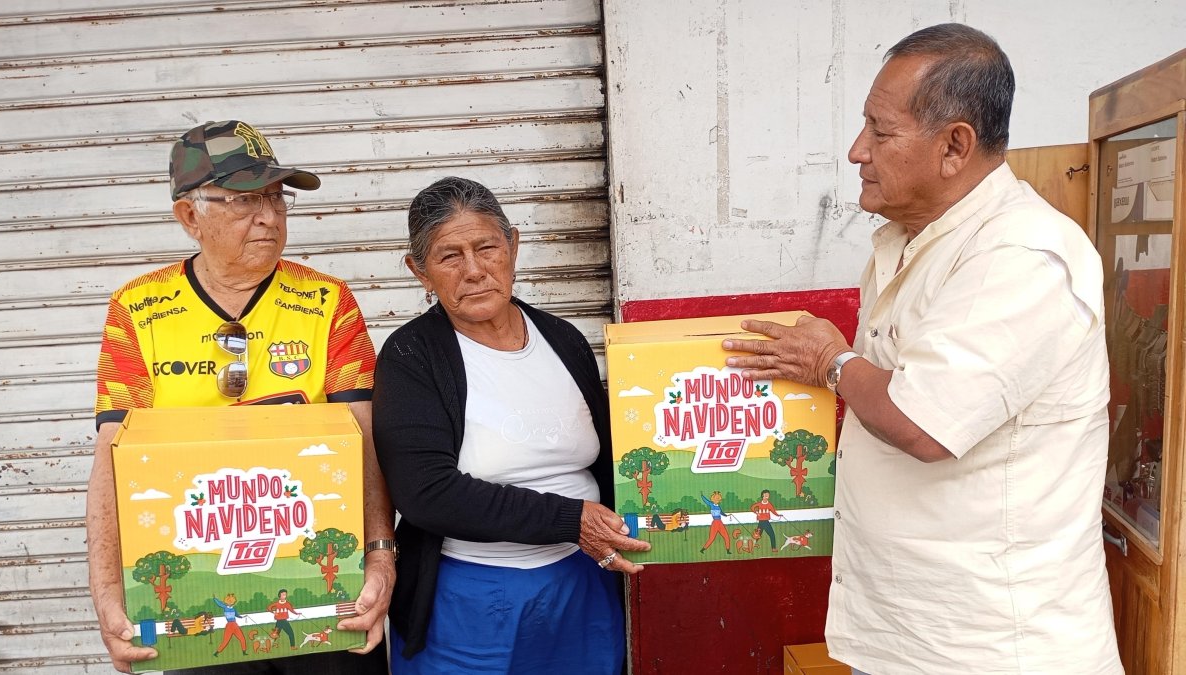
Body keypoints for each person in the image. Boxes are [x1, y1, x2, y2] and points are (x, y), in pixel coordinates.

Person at [723, 24, 1122, 674]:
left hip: (993, 649)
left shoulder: (1018, 258)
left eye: (880, 132)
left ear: (954, 146)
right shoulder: (912, 242)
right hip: (915, 640)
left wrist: (831, 363)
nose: (858, 150)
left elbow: (923, 420)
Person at [87, 120, 395, 675]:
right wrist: (108, 592)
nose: (270, 217)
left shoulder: (328, 302)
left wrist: (380, 558)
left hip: (323, 594)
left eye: (277, 198)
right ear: (189, 216)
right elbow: (113, 455)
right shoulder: (137, 310)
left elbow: (365, 440)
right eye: (245, 201)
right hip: (191, 608)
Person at [372, 176, 650, 673]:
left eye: (487, 247)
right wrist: (571, 520)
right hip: (471, 597)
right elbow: (426, 493)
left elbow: (613, 458)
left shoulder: (563, 338)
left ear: (513, 246)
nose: (474, 271)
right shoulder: (411, 355)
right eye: (449, 256)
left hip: (582, 583)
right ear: (419, 271)